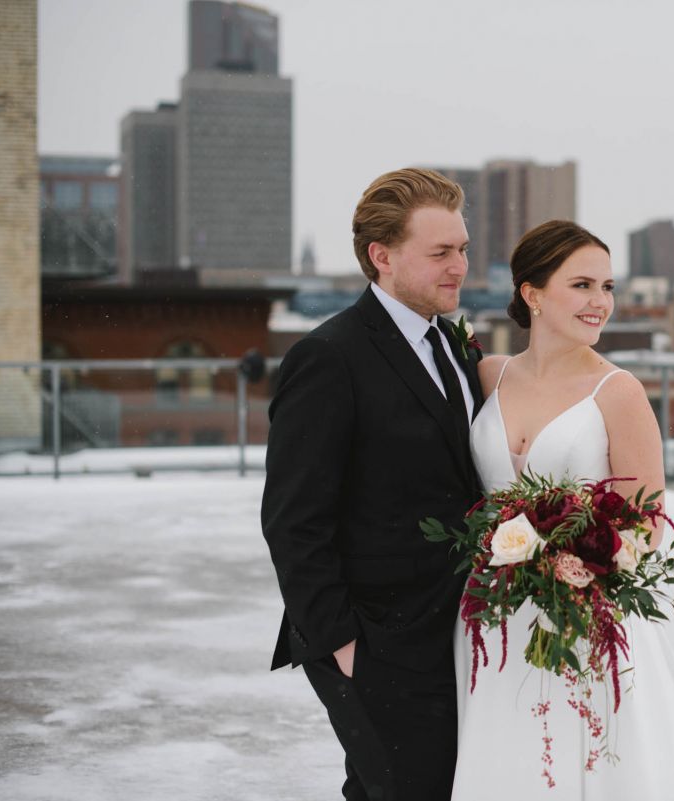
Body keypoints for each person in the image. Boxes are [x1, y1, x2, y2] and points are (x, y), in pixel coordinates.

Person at [452, 220, 674, 799]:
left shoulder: (618, 391)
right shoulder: (487, 374)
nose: (599, 303)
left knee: (592, 760)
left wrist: (571, 563)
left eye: (607, 287)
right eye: (582, 285)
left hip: (587, 619)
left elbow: (648, 523)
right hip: (492, 618)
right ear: (532, 293)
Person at [261, 168, 484, 801]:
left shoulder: (454, 346)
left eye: (463, 249)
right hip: (373, 638)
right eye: (440, 252)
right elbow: (292, 519)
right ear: (380, 257)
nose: (460, 266)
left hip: (450, 633)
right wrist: (344, 644)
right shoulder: (329, 357)